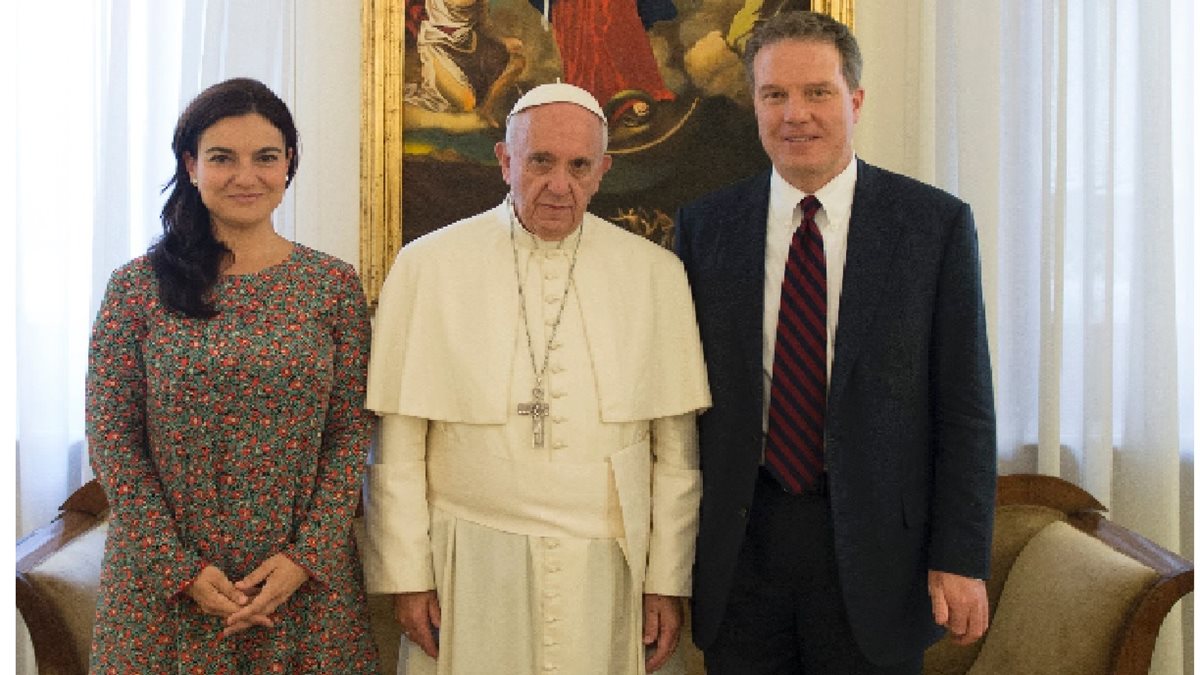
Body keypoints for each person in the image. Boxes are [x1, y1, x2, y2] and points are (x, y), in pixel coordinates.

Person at [674, 11, 997, 675]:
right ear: (754, 104)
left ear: (855, 100)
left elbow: (965, 408)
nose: (795, 114)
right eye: (774, 95)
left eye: (816, 92)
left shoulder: (931, 227)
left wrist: (960, 556)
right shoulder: (705, 227)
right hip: (742, 554)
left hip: (878, 557)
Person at [363, 81, 710, 675]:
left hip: (610, 568)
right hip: (467, 562)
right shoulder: (428, 265)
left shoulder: (655, 274)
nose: (559, 185)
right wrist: (407, 577)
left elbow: (675, 452)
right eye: (540, 161)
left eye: (579, 166)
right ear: (505, 160)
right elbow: (397, 443)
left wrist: (667, 582)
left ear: (602, 170)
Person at [85, 77, 379, 673]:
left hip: (302, 588)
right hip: (163, 590)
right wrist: (180, 570)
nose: (246, 176)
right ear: (191, 165)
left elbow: (351, 434)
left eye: (265, 158)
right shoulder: (137, 288)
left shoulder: (334, 287)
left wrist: (305, 556)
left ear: (289, 164)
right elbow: (113, 439)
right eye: (223, 158)